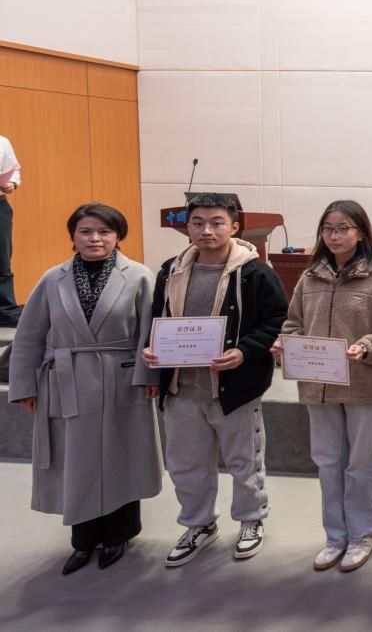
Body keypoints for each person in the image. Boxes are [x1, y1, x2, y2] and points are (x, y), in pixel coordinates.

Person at [7, 204, 161, 574]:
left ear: (118, 236)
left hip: (121, 380)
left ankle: (120, 534)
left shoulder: (139, 276)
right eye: (86, 231)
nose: (95, 239)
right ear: (73, 236)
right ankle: (83, 539)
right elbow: (28, 336)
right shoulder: (52, 279)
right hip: (68, 380)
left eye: (105, 231)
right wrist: (25, 385)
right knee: (75, 461)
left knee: (121, 455)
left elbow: (150, 331)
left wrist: (149, 377)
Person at [138, 192, 289, 567]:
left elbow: (277, 320)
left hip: (234, 388)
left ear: (234, 227)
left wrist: (244, 352)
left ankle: (251, 520)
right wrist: (153, 352)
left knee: (244, 461)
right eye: (198, 223)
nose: (207, 230)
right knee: (186, 464)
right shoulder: (171, 270)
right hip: (181, 387)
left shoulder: (255, 273)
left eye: (216, 222)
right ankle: (199, 524)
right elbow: (157, 317)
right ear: (187, 227)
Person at [272, 200, 372, 572]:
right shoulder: (309, 277)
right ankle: (335, 537)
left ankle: (362, 535)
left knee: (362, 462)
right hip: (318, 385)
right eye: (328, 229)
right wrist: (286, 344)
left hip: (364, 384)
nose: (334, 236)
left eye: (343, 228)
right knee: (328, 461)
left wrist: (367, 346)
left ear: (361, 232)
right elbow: (293, 324)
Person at [0, 133, 21, 327]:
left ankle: (6, 312)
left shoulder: (2, 141)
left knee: (2, 260)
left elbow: (14, 169)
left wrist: (11, 183)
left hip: (0, 205)